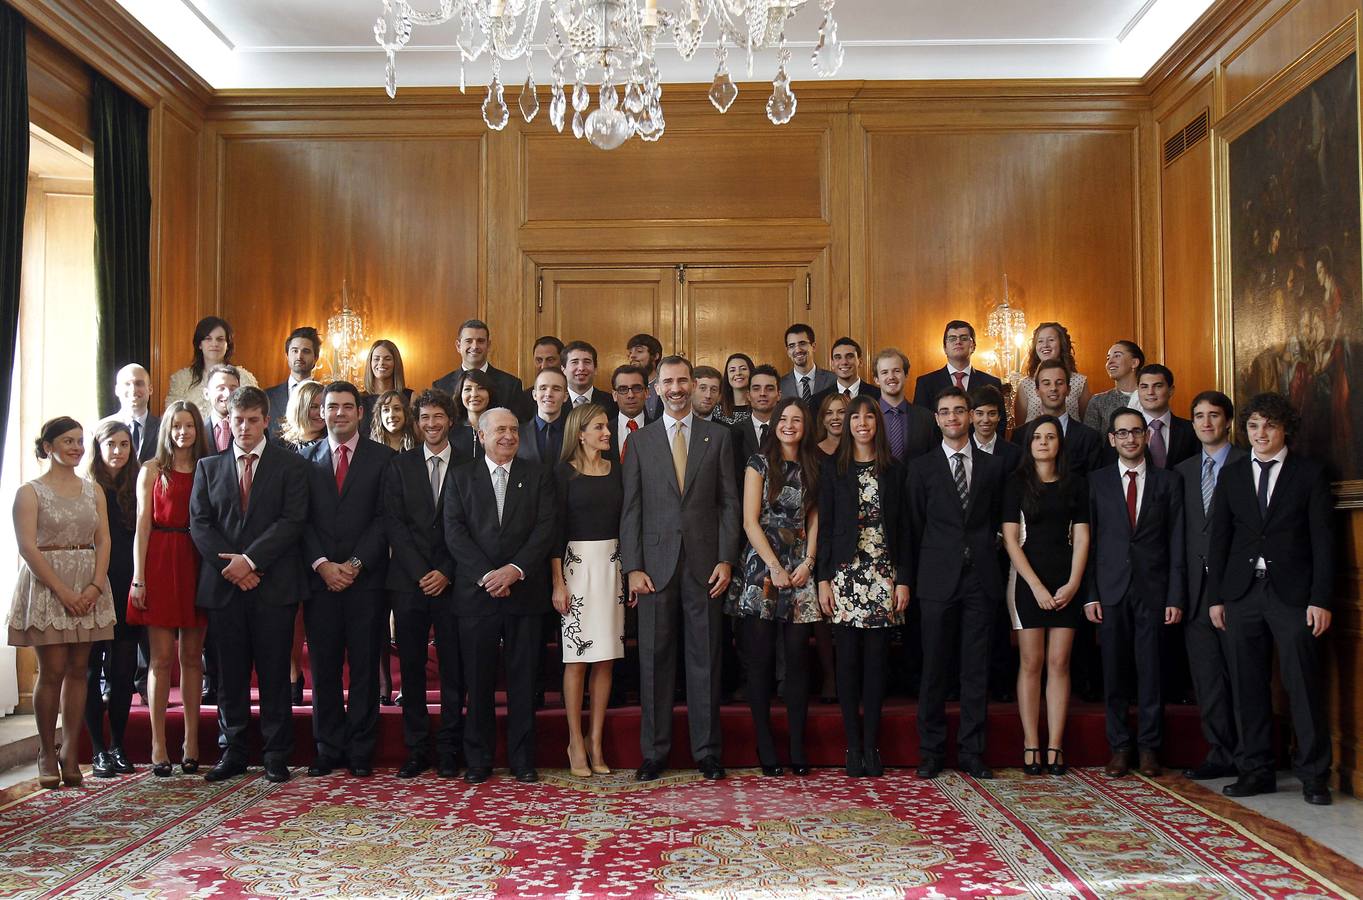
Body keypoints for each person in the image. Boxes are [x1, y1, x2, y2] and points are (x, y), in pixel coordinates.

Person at [1209, 393, 1335, 806]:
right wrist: (1217, 598)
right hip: (1242, 594)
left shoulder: (1309, 474)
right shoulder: (1232, 475)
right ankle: (1256, 770)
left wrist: (1321, 598)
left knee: (1302, 685)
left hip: (1294, 597)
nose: (1260, 434)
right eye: (1253, 426)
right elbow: (1220, 541)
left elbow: (1323, 542)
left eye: (1269, 426)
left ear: (1284, 430)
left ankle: (1315, 776)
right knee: (1248, 688)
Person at [621, 356, 741, 782]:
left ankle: (707, 752)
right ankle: (654, 753)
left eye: (682, 380)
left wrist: (727, 558)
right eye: (667, 382)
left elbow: (730, 503)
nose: (675, 388)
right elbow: (631, 508)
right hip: (653, 568)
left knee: (705, 659)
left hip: (706, 566)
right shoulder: (640, 441)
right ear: (656, 388)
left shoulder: (719, 437)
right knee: (653, 661)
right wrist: (632, 567)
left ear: (694, 385)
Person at [190, 386, 308, 784]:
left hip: (272, 585)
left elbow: (291, 522)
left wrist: (251, 561)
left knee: (275, 673)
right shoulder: (208, 468)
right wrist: (234, 567)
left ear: (266, 421)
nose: (244, 427)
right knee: (230, 674)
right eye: (237, 420)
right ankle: (233, 751)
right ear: (229, 421)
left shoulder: (289, 465)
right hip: (224, 589)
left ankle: (276, 754)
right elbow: (200, 524)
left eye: (252, 420)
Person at [444, 407, 557, 784]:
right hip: (476, 596)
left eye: (513, 429)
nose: (508, 436)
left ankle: (522, 759)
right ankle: (478, 759)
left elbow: (545, 528)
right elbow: (454, 531)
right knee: (477, 681)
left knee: (524, 681)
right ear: (481, 435)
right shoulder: (460, 477)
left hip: (525, 592)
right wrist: (487, 575)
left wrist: (515, 570)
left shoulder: (537, 476)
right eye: (499, 430)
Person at [9, 417, 116, 789]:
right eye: (67, 441)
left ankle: (71, 750)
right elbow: (27, 547)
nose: (75, 447)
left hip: (88, 583)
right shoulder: (30, 491)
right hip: (48, 585)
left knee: (79, 668)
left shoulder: (93, 491)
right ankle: (45, 749)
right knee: (51, 669)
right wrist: (64, 592)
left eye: (79, 441)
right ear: (48, 446)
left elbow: (103, 540)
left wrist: (94, 586)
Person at [906, 386, 1006, 780]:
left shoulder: (993, 466)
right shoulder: (922, 468)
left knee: (975, 669)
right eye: (944, 412)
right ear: (936, 419)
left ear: (970, 416)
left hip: (981, 578)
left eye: (959, 411)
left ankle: (972, 750)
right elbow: (915, 527)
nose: (952, 418)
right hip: (935, 580)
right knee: (934, 668)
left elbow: (1002, 522)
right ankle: (930, 751)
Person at [301, 381, 396, 778]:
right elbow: (299, 520)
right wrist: (323, 564)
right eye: (331, 407)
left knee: (362, 668)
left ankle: (360, 749)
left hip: (366, 582)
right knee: (323, 669)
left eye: (345, 406)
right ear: (320, 413)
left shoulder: (383, 458)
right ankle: (328, 747)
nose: (338, 413)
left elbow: (385, 518)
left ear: (360, 412)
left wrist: (355, 564)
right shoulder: (305, 460)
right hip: (320, 582)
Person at [1084, 408, 1185, 779]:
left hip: (1154, 591)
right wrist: (1091, 593)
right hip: (1110, 591)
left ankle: (1149, 748)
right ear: (1111, 439)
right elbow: (1089, 543)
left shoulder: (1169, 482)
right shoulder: (1096, 482)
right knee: (1114, 671)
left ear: (1146, 437)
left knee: (1151, 672)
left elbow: (1176, 543)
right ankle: (1120, 747)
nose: (1130, 439)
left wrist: (1175, 596)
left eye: (1136, 433)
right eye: (1122, 433)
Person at [729, 397, 822, 776]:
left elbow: (816, 518)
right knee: (761, 661)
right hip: (761, 568)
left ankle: (798, 746)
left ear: (806, 425)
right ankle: (765, 743)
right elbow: (750, 521)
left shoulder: (816, 463)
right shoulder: (759, 462)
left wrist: (809, 562)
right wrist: (774, 567)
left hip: (801, 567)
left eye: (797, 420)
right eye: (784, 418)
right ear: (774, 424)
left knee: (798, 660)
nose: (789, 425)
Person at [816, 396, 907, 777]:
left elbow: (906, 530)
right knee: (848, 665)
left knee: (876, 666)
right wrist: (822, 578)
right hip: (846, 576)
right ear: (847, 424)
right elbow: (823, 528)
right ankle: (853, 746)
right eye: (856, 417)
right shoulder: (834, 470)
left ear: (877, 425)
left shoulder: (895, 470)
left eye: (870, 417)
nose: (863, 423)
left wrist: (904, 579)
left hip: (883, 575)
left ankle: (872, 745)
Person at [383, 388, 470, 779]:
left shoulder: (470, 464)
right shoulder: (400, 466)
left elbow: (472, 527)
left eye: (438, 416)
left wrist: (447, 570)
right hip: (409, 582)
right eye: (424, 418)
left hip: (454, 583)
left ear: (450, 420)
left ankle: (450, 747)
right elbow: (394, 525)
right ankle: (416, 748)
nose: (431, 424)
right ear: (416, 424)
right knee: (413, 670)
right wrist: (421, 571)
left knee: (454, 668)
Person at [1002, 415, 1090, 777]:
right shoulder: (1016, 484)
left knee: (1059, 663)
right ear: (1029, 444)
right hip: (1027, 582)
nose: (1043, 442)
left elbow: (1083, 537)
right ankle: (1030, 743)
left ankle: (1055, 744)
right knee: (1031, 663)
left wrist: (1072, 583)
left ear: (1059, 444)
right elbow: (1010, 539)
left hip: (1065, 580)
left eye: (1050, 437)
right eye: (1037, 437)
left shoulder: (1076, 485)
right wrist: (1036, 586)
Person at [129, 401, 208, 776]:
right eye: (176, 425)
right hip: (159, 561)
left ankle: (191, 741)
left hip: (196, 561)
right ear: (167, 430)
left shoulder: (208, 467)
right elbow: (142, 525)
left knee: (192, 658)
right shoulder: (151, 470)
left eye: (189, 425)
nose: (182, 432)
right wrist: (138, 578)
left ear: (197, 429)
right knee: (160, 659)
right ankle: (158, 743)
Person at [551, 402, 626, 777]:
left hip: (612, 565)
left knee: (606, 658)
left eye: (607, 427)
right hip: (576, 568)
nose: (607, 433)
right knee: (576, 659)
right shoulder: (563, 474)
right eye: (599, 427)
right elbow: (554, 531)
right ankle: (574, 740)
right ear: (580, 433)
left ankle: (596, 741)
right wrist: (557, 582)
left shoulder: (618, 471)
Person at [1175, 390, 1245, 781]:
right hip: (1194, 592)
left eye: (1213, 415)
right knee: (1207, 678)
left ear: (1227, 421)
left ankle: (1249, 754)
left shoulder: (1245, 464)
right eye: (1199, 415)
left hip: (1235, 590)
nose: (1206, 422)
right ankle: (1219, 752)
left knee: (1242, 674)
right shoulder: (1183, 472)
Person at [84, 419, 142, 779]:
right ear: (99, 448)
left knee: (122, 672)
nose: (118, 452)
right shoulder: (87, 488)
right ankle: (97, 749)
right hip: (92, 584)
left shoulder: (137, 485)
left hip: (126, 586)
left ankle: (118, 744)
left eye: (124, 445)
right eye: (111, 445)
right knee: (91, 670)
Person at [1011, 360, 1103, 477]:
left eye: (1059, 383)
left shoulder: (1090, 437)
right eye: (1046, 383)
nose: (1053, 388)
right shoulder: (1020, 435)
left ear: (1068, 389)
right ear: (1037, 391)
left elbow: (1094, 486)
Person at [433, 319, 531, 421]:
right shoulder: (440, 387)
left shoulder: (511, 385)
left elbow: (519, 427)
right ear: (458, 346)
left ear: (488, 345)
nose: (475, 346)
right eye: (469, 341)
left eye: (480, 341)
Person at [165, 317, 258, 418]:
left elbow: (254, 415)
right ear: (200, 344)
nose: (214, 344)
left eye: (220, 339)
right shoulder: (181, 380)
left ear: (227, 345)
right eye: (208, 339)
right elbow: (171, 419)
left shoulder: (244, 378)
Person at [913, 320, 1004, 412]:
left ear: (973, 346)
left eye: (964, 338)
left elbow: (1000, 422)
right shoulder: (926, 383)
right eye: (952, 339)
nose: (958, 342)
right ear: (945, 348)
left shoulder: (992, 383)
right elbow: (921, 422)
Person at [1014, 322, 1091, 426]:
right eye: (1040, 341)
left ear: (1061, 344)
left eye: (1051, 340)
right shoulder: (1025, 385)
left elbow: (1087, 424)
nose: (1045, 345)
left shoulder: (1080, 382)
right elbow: (1020, 427)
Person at [873, 349, 936, 463]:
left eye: (896, 371)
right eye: (884, 372)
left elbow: (933, 460)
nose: (891, 376)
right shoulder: (867, 416)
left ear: (906, 374)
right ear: (876, 380)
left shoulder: (927, 417)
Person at [1135, 364, 1198, 470]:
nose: (1150, 392)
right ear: (1138, 391)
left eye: (1158, 386)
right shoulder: (1123, 431)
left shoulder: (1191, 430)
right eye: (1144, 387)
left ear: (1171, 390)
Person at [264, 326, 321, 440]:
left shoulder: (325, 395)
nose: (299, 356)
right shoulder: (267, 396)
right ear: (287, 355)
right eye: (295, 351)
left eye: (306, 351)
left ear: (315, 358)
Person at [731, 364, 781, 488]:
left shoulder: (789, 431)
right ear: (748, 395)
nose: (763, 393)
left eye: (769, 388)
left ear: (779, 394)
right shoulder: (732, 433)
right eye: (756, 388)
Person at [1084, 340, 1144, 432]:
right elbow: (1090, 441)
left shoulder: (1150, 397)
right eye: (1108, 358)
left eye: (1117, 356)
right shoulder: (1098, 401)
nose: (1110, 362)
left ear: (1134, 363)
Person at [517, 368, 569, 465]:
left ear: (565, 396)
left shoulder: (576, 433)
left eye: (556, 389)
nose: (549, 394)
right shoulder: (517, 433)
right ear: (534, 395)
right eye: (543, 388)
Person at [361, 339, 413, 434]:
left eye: (387, 359)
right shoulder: (359, 399)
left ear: (395, 363)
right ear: (370, 363)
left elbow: (417, 436)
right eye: (377, 359)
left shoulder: (410, 397)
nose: (381, 363)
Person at [812, 337, 879, 408]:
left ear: (860, 362)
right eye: (838, 357)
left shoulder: (878, 396)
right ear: (832, 364)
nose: (844, 362)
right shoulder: (818, 400)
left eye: (849, 356)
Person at [113, 363, 159, 462]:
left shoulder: (164, 428)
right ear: (117, 390)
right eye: (127, 384)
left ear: (150, 389)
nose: (133, 390)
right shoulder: (100, 428)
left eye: (139, 384)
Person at [609, 364, 654, 461]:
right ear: (614, 395)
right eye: (623, 389)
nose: (630, 395)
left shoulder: (660, 431)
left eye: (637, 388)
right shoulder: (605, 431)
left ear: (646, 392)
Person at [562, 340, 617, 417]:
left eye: (587, 362)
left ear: (595, 368)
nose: (581, 368)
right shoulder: (555, 401)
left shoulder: (612, 402)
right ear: (563, 369)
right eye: (574, 362)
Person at [780, 323, 834, 401]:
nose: (798, 350)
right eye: (792, 346)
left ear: (813, 347)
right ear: (788, 351)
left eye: (802, 344)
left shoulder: (833, 380)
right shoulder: (780, 385)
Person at [451, 368, 495, 460]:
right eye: (468, 389)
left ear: (489, 393)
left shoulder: (500, 429)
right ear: (460, 394)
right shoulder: (451, 431)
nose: (474, 394)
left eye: (481, 388)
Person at [202, 364, 242, 454]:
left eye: (233, 388)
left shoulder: (251, 428)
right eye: (221, 388)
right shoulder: (197, 431)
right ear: (206, 394)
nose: (227, 394)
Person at [278, 380, 326, 452]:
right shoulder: (278, 445)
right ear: (299, 408)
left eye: (324, 407)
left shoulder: (333, 443)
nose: (321, 413)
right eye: (314, 407)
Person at [626, 333, 664, 419]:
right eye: (630, 353)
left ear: (655, 356)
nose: (632, 356)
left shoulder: (667, 385)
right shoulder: (626, 388)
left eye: (639, 351)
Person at [522, 336, 564, 410]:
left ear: (562, 361)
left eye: (550, 360)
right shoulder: (524, 398)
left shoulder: (573, 395)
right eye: (539, 360)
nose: (543, 366)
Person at [717, 353, 754, 425]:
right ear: (727, 376)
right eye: (732, 370)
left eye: (743, 369)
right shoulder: (717, 410)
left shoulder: (760, 406)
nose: (738, 373)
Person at [815, 391, 849, 460]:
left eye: (841, 412)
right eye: (829, 413)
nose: (835, 417)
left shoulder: (860, 449)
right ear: (823, 419)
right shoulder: (812, 453)